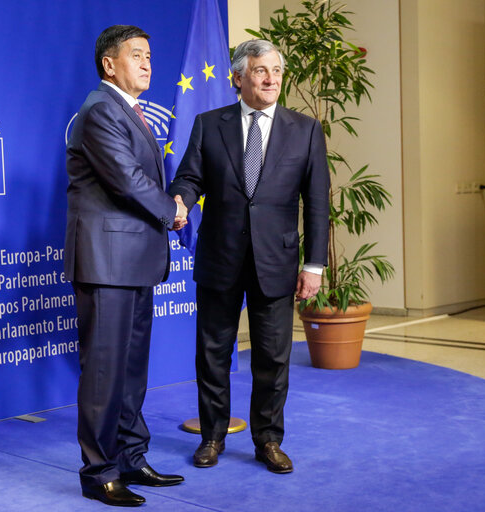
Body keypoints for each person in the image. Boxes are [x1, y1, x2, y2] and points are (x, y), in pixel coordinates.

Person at [169, 39, 330, 473]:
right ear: (238, 78)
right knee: (213, 352)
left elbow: (316, 203)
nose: (271, 78)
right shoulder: (209, 123)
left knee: (273, 357)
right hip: (220, 257)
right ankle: (212, 437)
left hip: (276, 262)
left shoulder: (306, 130)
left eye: (277, 71)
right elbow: (188, 177)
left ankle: (268, 440)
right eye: (261, 71)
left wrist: (314, 265)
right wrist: (180, 202)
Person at [64, 25, 187, 507]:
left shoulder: (128, 111)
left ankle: (131, 458)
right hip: (106, 262)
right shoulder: (99, 111)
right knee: (104, 371)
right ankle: (99, 471)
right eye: (136, 55)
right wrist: (172, 209)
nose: (147, 63)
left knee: (131, 370)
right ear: (109, 64)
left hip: (135, 261)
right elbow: (128, 181)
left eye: (150, 56)